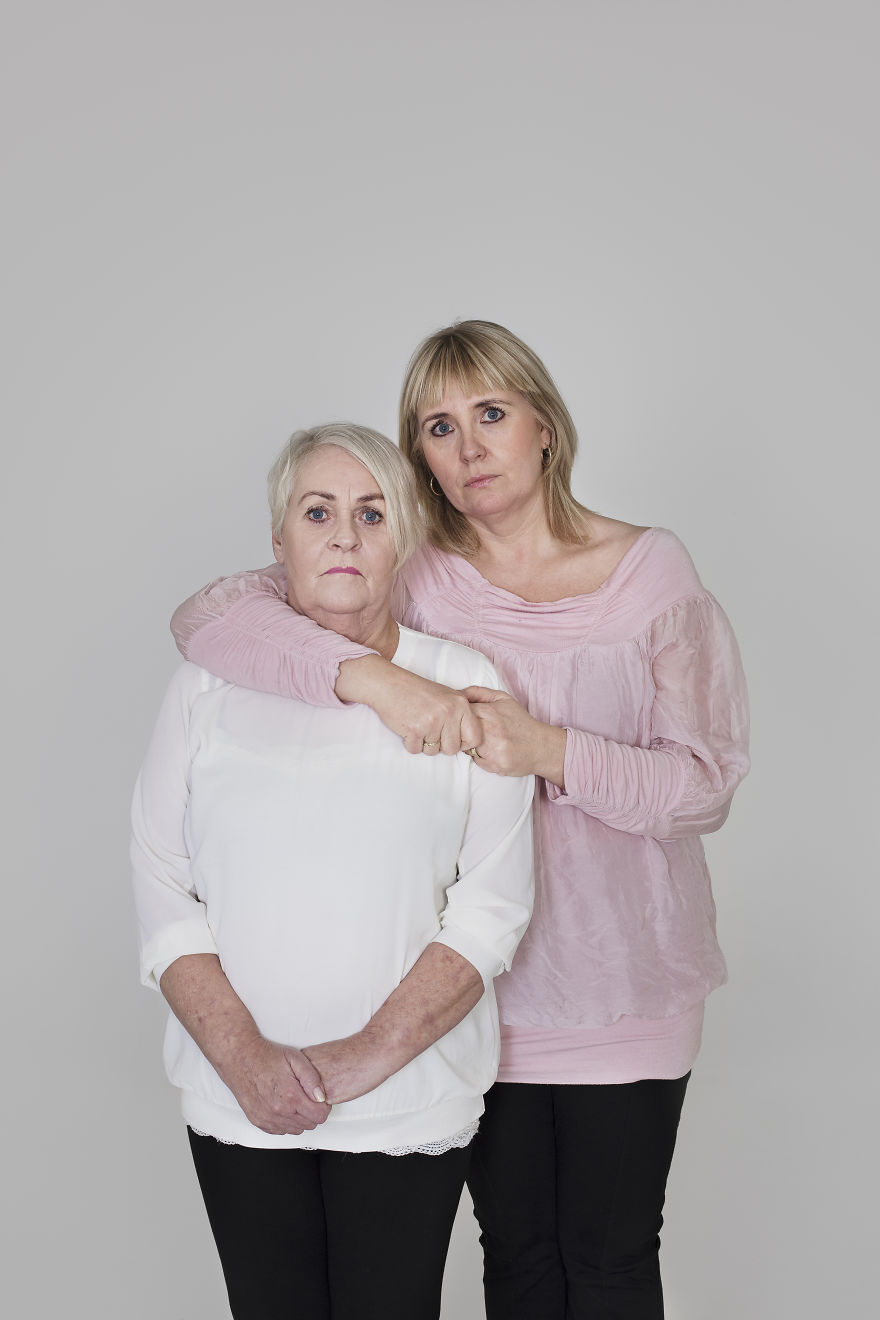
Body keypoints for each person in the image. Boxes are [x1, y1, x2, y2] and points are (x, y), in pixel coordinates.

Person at [170, 322, 750, 1320]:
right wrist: (370, 680)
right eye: (437, 427)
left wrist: (547, 750)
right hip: (477, 986)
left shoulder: (650, 573)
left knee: (609, 1255)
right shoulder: (415, 571)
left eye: (489, 414)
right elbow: (214, 616)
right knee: (515, 1253)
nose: (468, 445)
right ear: (419, 456)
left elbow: (704, 784)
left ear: (543, 429)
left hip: (625, 980)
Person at [132, 422, 535, 1320]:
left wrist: (361, 1061)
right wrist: (245, 1060)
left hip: (407, 1105)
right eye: (318, 512)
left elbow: (492, 907)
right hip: (238, 1101)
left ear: (407, 538)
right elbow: (162, 881)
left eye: (371, 512)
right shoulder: (206, 688)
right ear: (280, 542)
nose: (344, 535)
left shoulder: (462, 683)